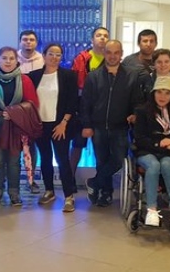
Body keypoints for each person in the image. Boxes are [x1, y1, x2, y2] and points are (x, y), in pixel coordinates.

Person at [0, 46, 39, 207]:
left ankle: (14, 192)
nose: (8, 61)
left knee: (13, 160)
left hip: (15, 124)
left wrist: (14, 113)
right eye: (4, 58)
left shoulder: (24, 80)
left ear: (17, 61)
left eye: (11, 58)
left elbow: (32, 104)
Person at [81, 39, 142, 206]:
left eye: (116, 52)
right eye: (109, 52)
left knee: (118, 160)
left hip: (120, 127)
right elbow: (85, 103)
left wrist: (134, 114)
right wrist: (86, 125)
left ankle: (94, 183)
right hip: (98, 127)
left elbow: (137, 101)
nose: (113, 56)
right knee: (101, 161)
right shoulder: (93, 76)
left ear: (121, 54)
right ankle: (105, 193)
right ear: (104, 53)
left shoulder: (131, 76)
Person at [133, 76, 170, 227]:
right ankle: (151, 210)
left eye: (167, 93)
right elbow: (139, 138)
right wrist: (158, 143)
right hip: (147, 151)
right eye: (159, 92)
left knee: (166, 164)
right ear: (153, 93)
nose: (162, 96)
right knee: (153, 165)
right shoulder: (142, 111)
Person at [28, 44, 79, 212]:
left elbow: (73, 102)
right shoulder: (34, 76)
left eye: (58, 54)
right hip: (40, 124)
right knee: (45, 158)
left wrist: (63, 123)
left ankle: (69, 196)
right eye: (51, 53)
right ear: (44, 55)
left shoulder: (69, 76)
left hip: (60, 125)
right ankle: (49, 190)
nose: (54, 57)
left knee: (63, 159)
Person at [69, 26, 110, 177]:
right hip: (82, 108)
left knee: (101, 148)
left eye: (105, 36)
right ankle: (70, 178)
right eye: (99, 35)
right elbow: (74, 84)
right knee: (77, 145)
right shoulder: (82, 58)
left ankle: (100, 181)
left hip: (103, 109)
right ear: (92, 39)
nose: (102, 38)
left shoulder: (111, 59)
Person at [17, 30, 44, 193]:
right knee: (12, 148)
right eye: (25, 39)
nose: (28, 42)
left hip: (34, 111)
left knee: (32, 147)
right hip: (14, 112)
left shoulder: (42, 60)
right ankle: (8, 181)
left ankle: (31, 180)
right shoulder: (12, 58)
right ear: (20, 42)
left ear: (36, 42)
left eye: (31, 40)